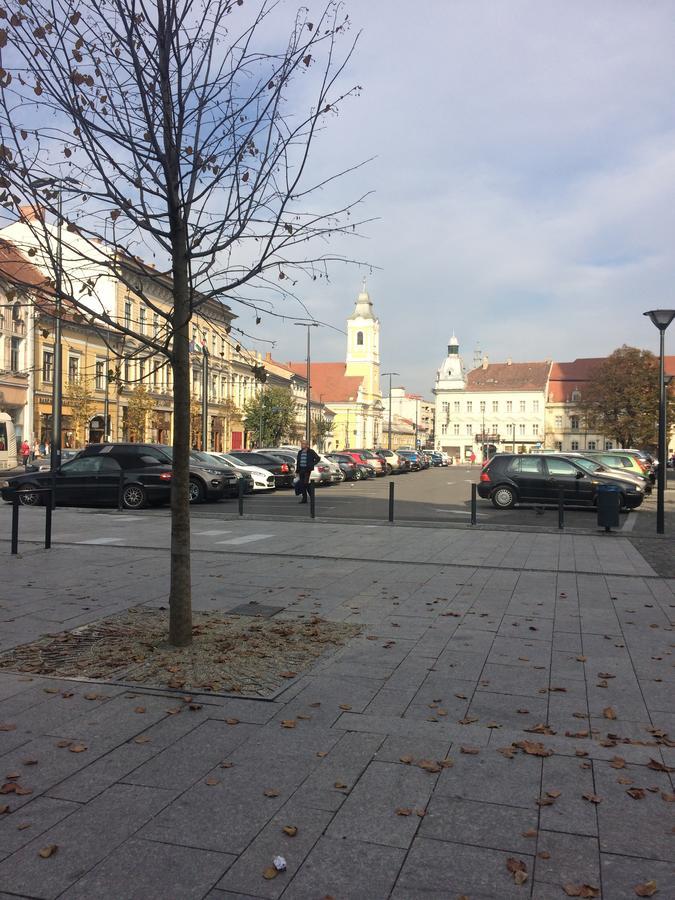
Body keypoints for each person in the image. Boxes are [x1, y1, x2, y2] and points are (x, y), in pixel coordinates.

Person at [295, 439, 320, 504]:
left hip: (307, 470)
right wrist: (297, 471)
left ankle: (312, 497)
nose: (302, 445)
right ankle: (304, 499)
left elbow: (318, 458)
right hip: (301, 470)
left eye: (303, 444)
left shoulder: (311, 451)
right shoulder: (300, 452)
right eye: (301, 443)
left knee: (305, 483)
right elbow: (298, 462)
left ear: (307, 445)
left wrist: (312, 464)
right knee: (302, 485)